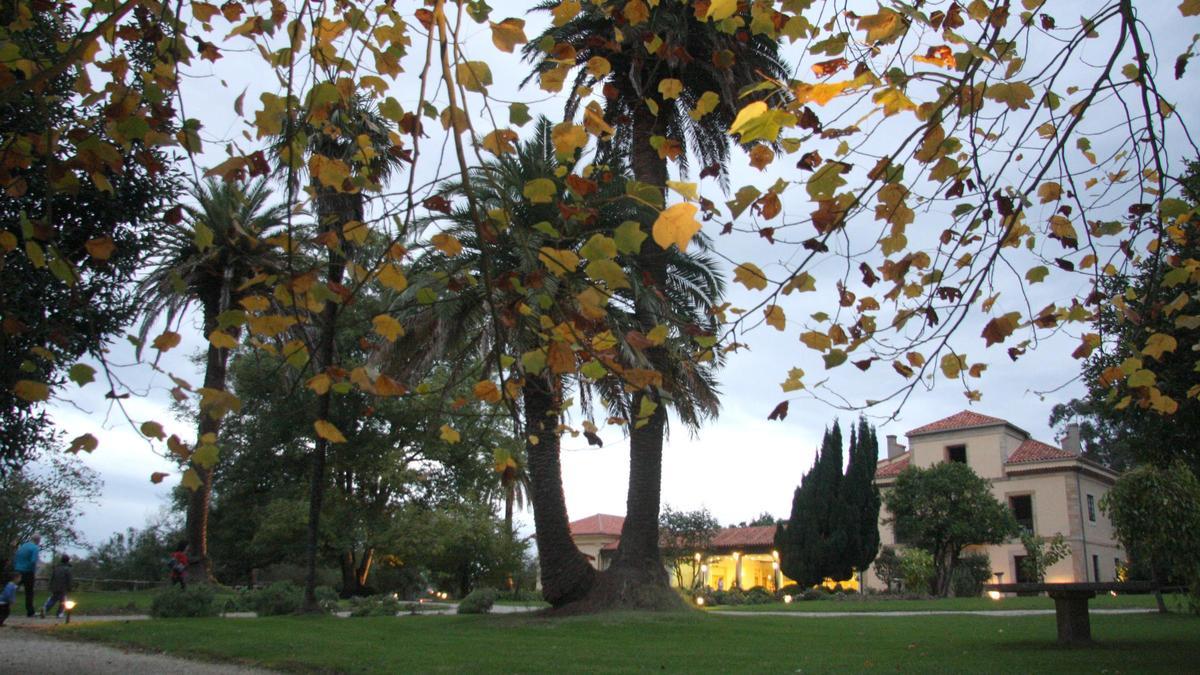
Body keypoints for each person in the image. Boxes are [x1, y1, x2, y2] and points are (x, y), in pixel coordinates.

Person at [13, 535, 40, 617]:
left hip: (18, 571)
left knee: (11, 588)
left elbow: (16, 557)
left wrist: (16, 567)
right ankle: (30, 612)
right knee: (29, 593)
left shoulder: (23, 546)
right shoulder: (35, 548)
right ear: (38, 540)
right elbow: (33, 561)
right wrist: (34, 572)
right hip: (28, 572)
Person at [40, 554, 72, 619]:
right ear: (68, 561)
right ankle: (60, 613)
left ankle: (45, 608)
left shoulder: (56, 568)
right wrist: (69, 587)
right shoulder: (68, 569)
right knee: (63, 600)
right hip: (63, 587)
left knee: (53, 599)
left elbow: (52, 577)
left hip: (55, 587)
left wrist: (50, 586)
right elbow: (69, 579)